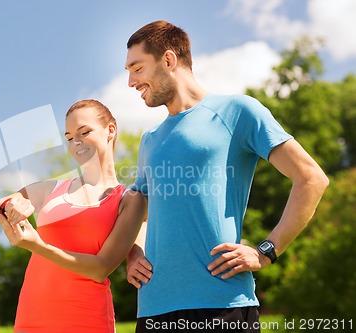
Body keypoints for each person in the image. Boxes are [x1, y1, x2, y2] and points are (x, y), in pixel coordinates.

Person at [124, 20, 329, 333]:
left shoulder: (237, 111)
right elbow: (138, 210)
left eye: (137, 68)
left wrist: (268, 250)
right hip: (153, 310)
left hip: (222, 305)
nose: (130, 81)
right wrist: (133, 252)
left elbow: (311, 178)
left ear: (168, 60)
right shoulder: (150, 138)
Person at [0, 99, 147, 333]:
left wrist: (38, 246)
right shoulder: (50, 189)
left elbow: (100, 268)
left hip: (87, 320)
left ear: (110, 130)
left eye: (84, 132)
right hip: (31, 318)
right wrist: (11, 203)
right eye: (69, 137)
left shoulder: (130, 200)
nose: (76, 143)